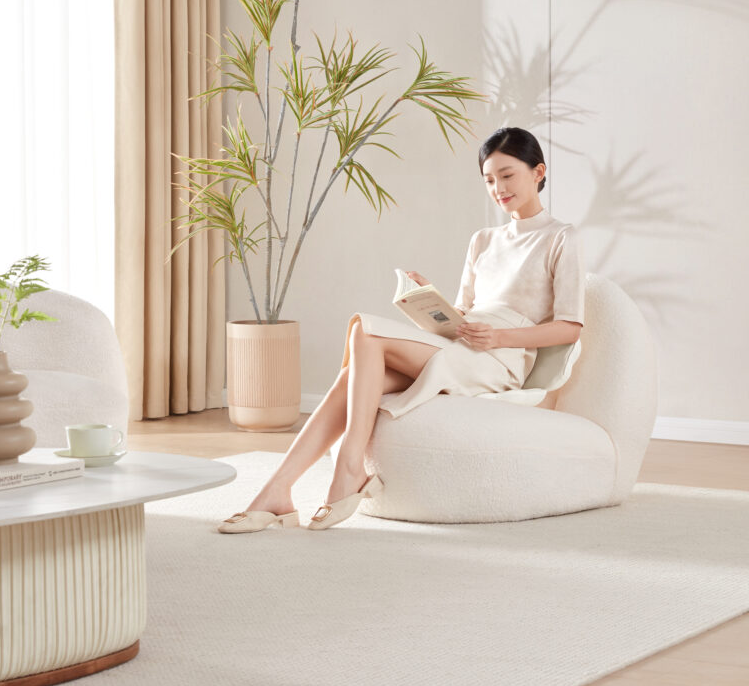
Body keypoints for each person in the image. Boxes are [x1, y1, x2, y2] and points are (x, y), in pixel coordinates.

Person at [218, 126, 585, 534]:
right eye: (489, 179)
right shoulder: (483, 240)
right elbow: (464, 312)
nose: (498, 187)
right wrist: (430, 302)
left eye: (507, 175)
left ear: (538, 172)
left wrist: (501, 337)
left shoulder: (561, 238)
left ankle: (349, 468)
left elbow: (569, 328)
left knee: (365, 333)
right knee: (351, 376)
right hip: (467, 346)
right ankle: (277, 493)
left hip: (502, 358)